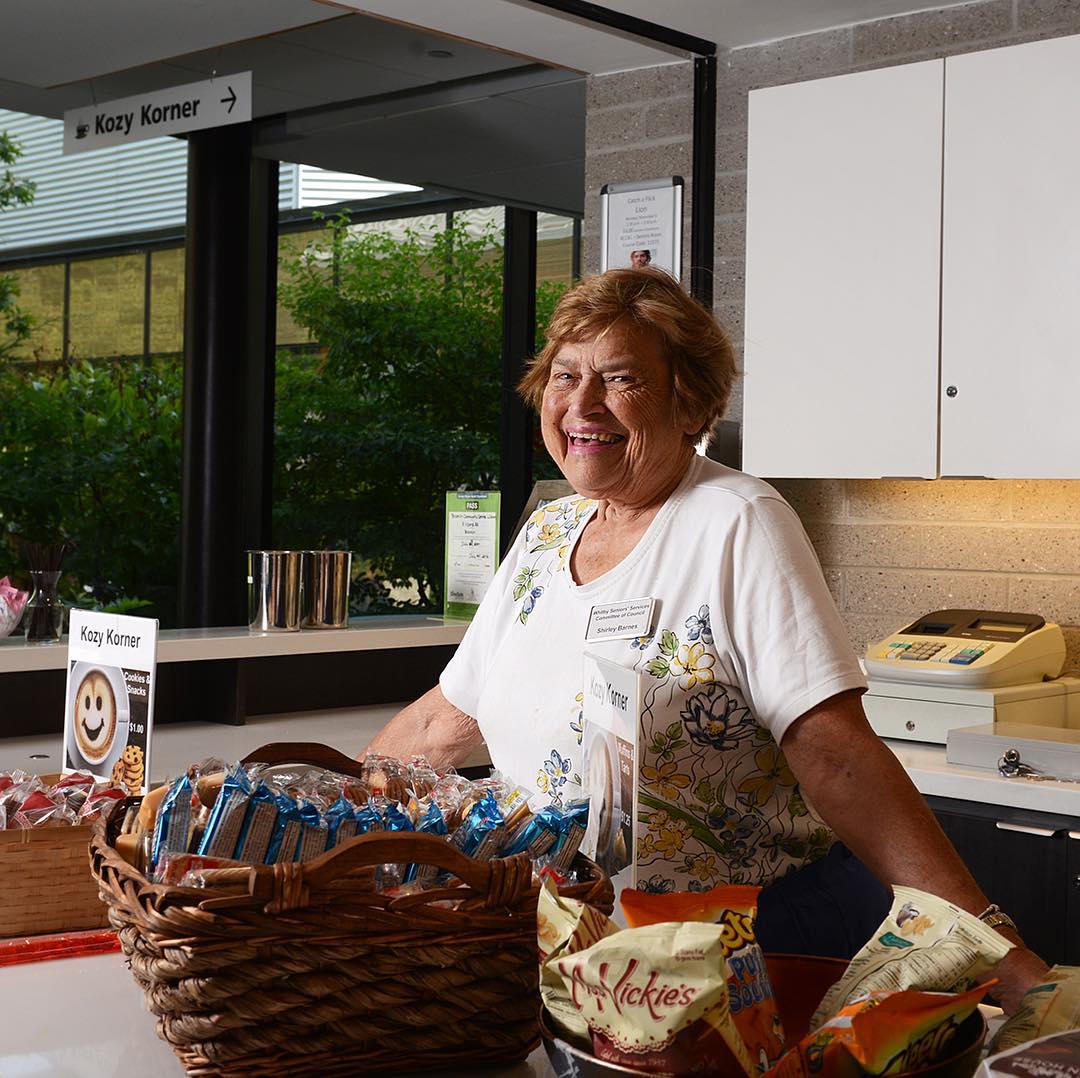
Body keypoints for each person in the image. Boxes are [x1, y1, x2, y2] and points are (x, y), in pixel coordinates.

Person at [363, 267, 1046, 1008]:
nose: (582, 404)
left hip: (735, 948)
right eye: (564, 376)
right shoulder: (547, 531)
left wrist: (1001, 963)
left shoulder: (735, 520)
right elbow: (449, 718)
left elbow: (835, 754)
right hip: (576, 944)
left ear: (690, 403)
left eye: (619, 378)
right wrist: (316, 827)